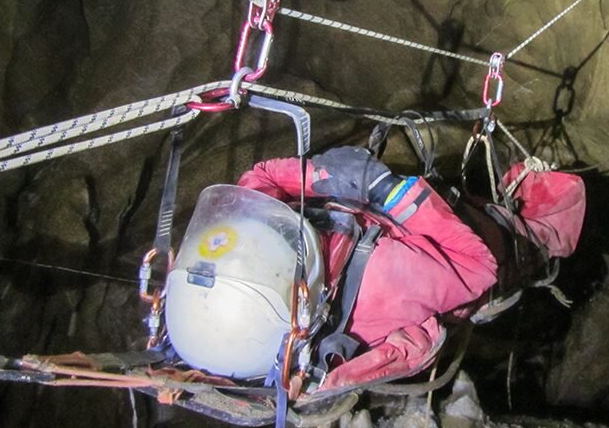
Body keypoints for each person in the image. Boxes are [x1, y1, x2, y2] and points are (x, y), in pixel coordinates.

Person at [163, 146, 586, 393]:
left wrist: (325, 177)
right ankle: (549, 231)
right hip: (463, 253)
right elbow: (476, 267)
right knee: (529, 238)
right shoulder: (382, 283)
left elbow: (260, 179)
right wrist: (390, 191)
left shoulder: (228, 280)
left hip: (388, 229)